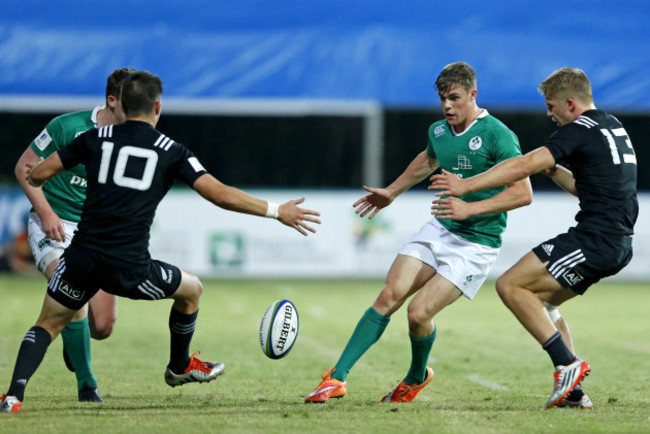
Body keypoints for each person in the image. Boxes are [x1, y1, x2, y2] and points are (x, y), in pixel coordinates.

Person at [0, 70, 321, 413]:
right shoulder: (172, 151)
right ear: (157, 107)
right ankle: (179, 367)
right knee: (192, 289)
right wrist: (277, 211)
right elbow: (221, 195)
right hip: (130, 266)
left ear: (120, 104)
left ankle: (12, 397)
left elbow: (36, 173)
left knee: (49, 323)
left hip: (82, 257)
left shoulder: (93, 139)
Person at [305, 62, 532, 404]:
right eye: (442, 98)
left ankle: (416, 376)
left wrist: (469, 207)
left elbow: (522, 192)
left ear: (473, 95)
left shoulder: (498, 134)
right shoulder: (439, 131)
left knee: (418, 314)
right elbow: (428, 160)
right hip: (440, 228)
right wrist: (391, 192)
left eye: (455, 98)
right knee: (388, 295)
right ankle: (336, 378)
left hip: (476, 243)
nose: (447, 106)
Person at [430, 67, 638, 409]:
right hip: (616, 241)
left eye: (551, 105)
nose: (548, 113)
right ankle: (573, 393)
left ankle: (567, 364)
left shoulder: (579, 128)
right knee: (543, 303)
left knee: (510, 285)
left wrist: (466, 185)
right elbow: (582, 188)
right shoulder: (611, 124)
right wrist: (553, 169)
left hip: (596, 240)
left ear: (570, 104)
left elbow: (523, 164)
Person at [13, 67, 134, 402]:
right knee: (74, 296)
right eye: (131, 103)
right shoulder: (67, 127)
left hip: (95, 233)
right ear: (112, 101)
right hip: (52, 225)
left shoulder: (132, 139)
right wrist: (48, 213)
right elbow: (24, 168)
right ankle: (87, 386)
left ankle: (73, 338)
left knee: (103, 327)